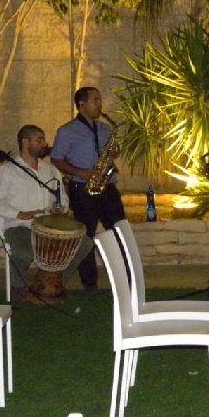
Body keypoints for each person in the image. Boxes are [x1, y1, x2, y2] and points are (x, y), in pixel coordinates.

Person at [0, 124, 93, 301]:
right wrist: (18, 214)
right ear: (25, 142)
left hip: (50, 228)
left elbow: (62, 198)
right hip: (21, 226)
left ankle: (52, 282)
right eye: (39, 139)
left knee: (86, 244)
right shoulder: (8, 170)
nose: (44, 143)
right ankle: (18, 288)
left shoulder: (50, 170)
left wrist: (60, 208)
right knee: (25, 252)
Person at [51, 87, 126, 293]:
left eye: (100, 100)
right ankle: (90, 284)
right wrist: (79, 172)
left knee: (120, 231)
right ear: (81, 104)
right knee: (87, 237)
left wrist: (113, 153)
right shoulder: (66, 131)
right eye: (95, 100)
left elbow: (110, 155)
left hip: (108, 187)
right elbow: (56, 159)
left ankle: (126, 278)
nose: (99, 104)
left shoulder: (105, 129)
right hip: (83, 189)